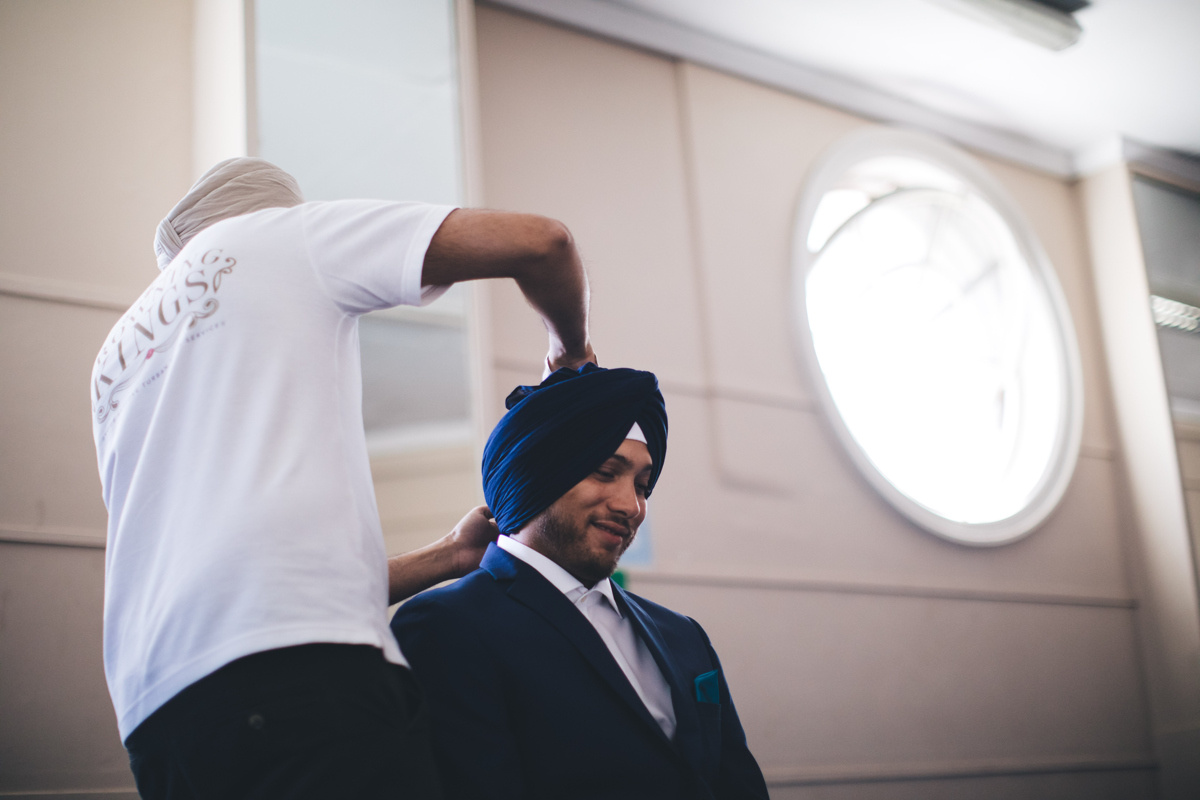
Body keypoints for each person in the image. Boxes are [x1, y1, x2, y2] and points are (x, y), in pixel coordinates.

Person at [90, 157, 595, 798]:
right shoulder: (279, 236)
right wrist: (569, 352)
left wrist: (449, 556)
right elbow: (543, 242)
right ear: (280, 209)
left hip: (157, 719)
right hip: (299, 681)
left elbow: (248, 585)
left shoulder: (113, 361)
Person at [391, 364, 769, 800]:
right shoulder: (446, 625)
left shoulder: (682, 633)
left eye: (643, 486)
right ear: (536, 475)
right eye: (606, 472)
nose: (631, 505)